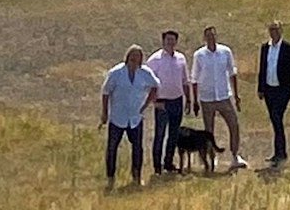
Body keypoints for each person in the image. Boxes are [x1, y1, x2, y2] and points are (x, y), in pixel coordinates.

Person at [100, 45, 160, 187]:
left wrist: (146, 105)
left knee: (138, 148)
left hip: (135, 117)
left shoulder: (145, 72)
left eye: (138, 56)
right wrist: (105, 112)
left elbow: (155, 85)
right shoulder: (116, 72)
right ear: (127, 56)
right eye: (132, 55)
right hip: (117, 117)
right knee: (112, 148)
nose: (134, 58)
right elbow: (106, 92)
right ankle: (110, 178)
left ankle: (136, 177)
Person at [190, 25, 248, 171]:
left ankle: (235, 155)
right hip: (207, 97)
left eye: (213, 35)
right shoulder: (199, 55)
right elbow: (194, 78)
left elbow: (232, 73)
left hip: (223, 96)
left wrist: (236, 95)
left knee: (234, 124)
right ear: (204, 38)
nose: (211, 38)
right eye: (208, 36)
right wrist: (195, 100)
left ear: (216, 36)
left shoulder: (225, 52)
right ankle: (212, 157)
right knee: (209, 131)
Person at [256, 20, 290, 165]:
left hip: (283, 89)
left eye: (276, 29)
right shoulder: (265, 48)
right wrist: (260, 88)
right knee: (275, 120)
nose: (274, 32)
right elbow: (262, 68)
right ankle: (278, 152)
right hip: (269, 89)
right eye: (271, 29)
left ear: (281, 31)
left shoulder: (289, 48)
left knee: (276, 116)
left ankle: (281, 153)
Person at [145, 30, 193, 175]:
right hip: (162, 102)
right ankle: (157, 166)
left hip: (177, 100)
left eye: (173, 39)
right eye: (168, 39)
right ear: (163, 41)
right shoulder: (155, 60)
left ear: (176, 41)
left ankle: (168, 163)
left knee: (174, 134)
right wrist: (154, 101)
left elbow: (185, 80)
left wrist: (188, 99)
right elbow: (147, 83)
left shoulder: (181, 58)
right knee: (160, 135)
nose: (170, 42)